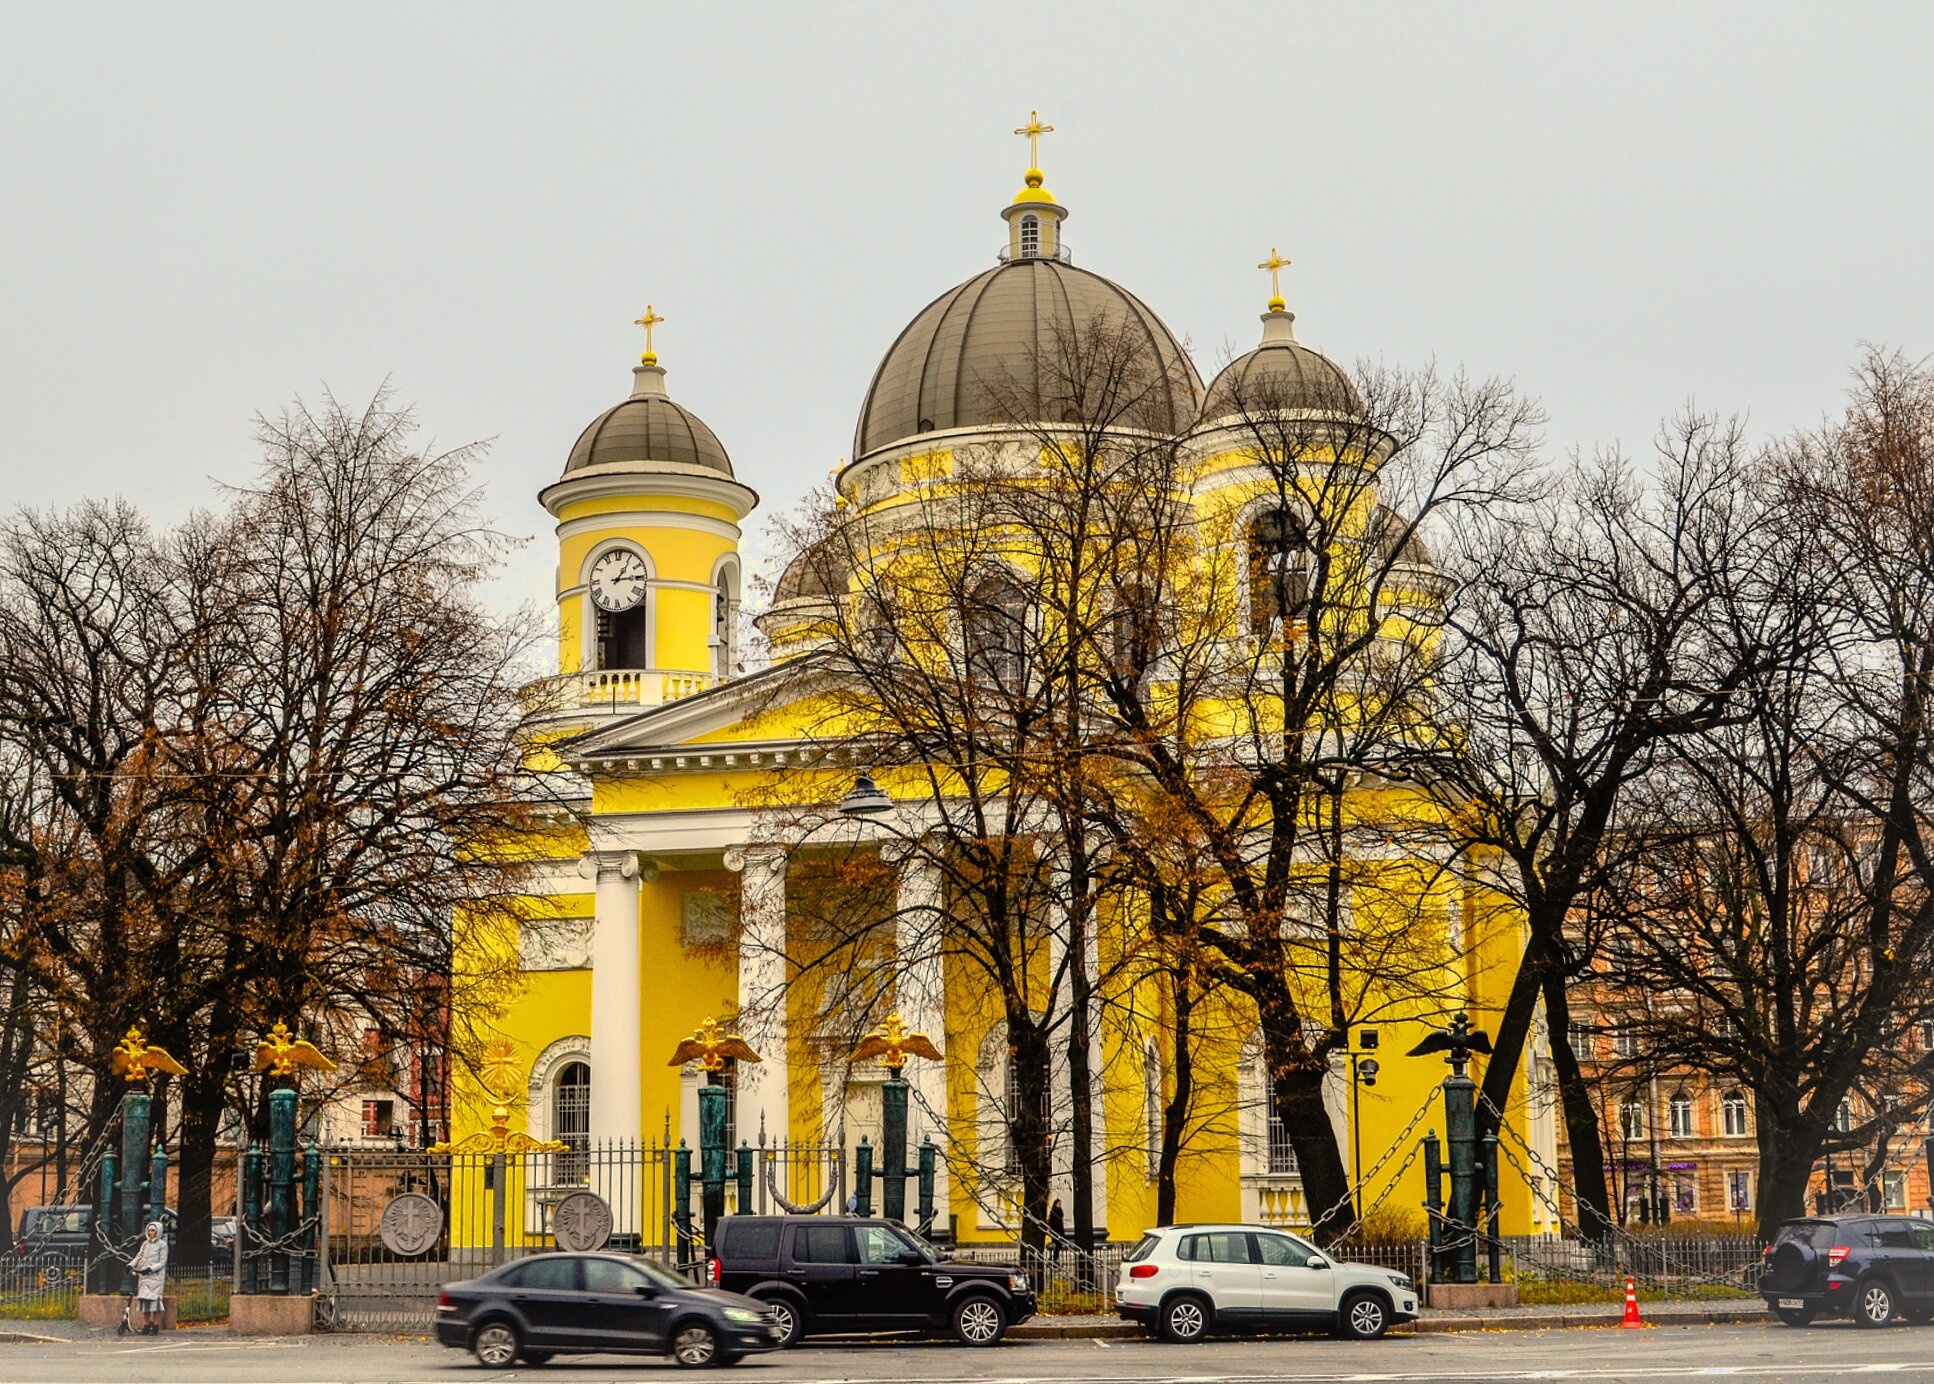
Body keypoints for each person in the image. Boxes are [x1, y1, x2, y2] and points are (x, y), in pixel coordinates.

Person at [129, 1222, 167, 1335]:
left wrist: (150, 1269)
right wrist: (130, 1265)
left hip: (156, 1277)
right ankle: (146, 1325)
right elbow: (139, 1256)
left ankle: (155, 1326)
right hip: (144, 1277)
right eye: (149, 1230)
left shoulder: (162, 1245)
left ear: (158, 1231)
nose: (151, 1233)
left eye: (153, 1230)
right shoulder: (145, 1244)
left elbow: (162, 1262)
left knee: (155, 1303)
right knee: (144, 1301)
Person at [1046, 1198, 1065, 1270]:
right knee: (1055, 1245)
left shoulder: (1059, 1211)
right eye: (1059, 1204)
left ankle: (1054, 1258)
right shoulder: (1054, 1212)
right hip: (1056, 1231)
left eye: (1060, 1204)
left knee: (1057, 1246)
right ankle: (1053, 1258)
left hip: (1059, 1231)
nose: (1060, 1205)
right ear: (1055, 1204)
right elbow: (1053, 1222)